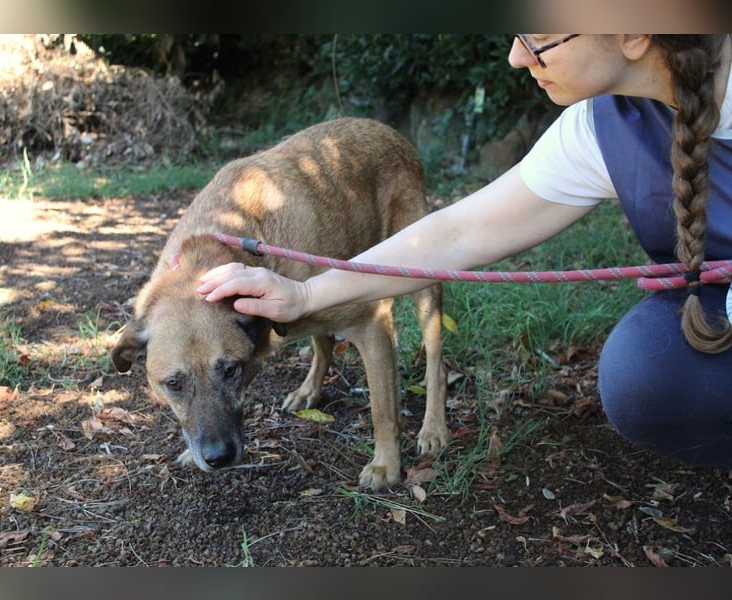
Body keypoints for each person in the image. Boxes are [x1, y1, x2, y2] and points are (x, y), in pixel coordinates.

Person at [198, 35, 732, 469]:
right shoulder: (601, 129)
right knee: (644, 373)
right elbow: (456, 233)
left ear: (634, 33)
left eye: (538, 37)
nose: (516, 57)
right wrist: (304, 292)